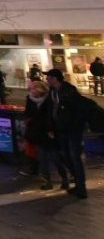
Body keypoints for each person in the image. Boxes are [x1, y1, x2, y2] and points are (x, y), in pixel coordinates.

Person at [46, 68, 87, 198]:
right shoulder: (52, 92)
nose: (46, 80)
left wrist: (74, 126)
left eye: (48, 78)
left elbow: (78, 111)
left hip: (72, 130)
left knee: (75, 157)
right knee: (65, 155)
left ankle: (81, 188)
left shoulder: (69, 91)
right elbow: (52, 110)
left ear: (55, 79)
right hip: (60, 130)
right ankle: (77, 182)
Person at [23, 78, 69, 190]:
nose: (32, 90)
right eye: (31, 89)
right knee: (43, 158)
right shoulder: (29, 99)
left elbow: (51, 116)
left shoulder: (49, 99)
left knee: (55, 157)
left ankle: (64, 178)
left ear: (40, 89)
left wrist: (51, 129)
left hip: (49, 132)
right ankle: (47, 181)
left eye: (34, 88)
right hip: (37, 132)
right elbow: (27, 113)